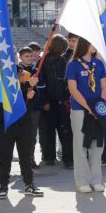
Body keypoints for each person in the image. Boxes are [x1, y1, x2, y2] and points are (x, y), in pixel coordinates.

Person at [65, 37, 106, 193]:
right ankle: (82, 181)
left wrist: (99, 106)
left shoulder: (99, 64)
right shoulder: (73, 64)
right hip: (80, 109)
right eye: (92, 42)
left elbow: (104, 86)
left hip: (97, 109)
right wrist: (88, 107)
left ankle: (96, 180)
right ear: (85, 44)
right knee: (81, 145)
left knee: (97, 145)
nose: (95, 45)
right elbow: (73, 89)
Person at [0, 58, 44, 199]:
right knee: (5, 156)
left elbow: (33, 104)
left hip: (24, 125)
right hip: (7, 125)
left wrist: (31, 93)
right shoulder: (2, 88)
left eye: (22, 73)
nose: (22, 76)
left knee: (26, 157)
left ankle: (29, 184)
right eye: (19, 74)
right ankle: (3, 186)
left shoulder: (28, 86)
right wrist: (27, 89)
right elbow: (8, 101)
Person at [38, 35, 74, 168]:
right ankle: (48, 156)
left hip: (62, 101)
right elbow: (40, 82)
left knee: (65, 131)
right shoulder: (43, 61)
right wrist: (45, 101)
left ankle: (68, 158)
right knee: (47, 131)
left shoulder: (62, 60)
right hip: (49, 101)